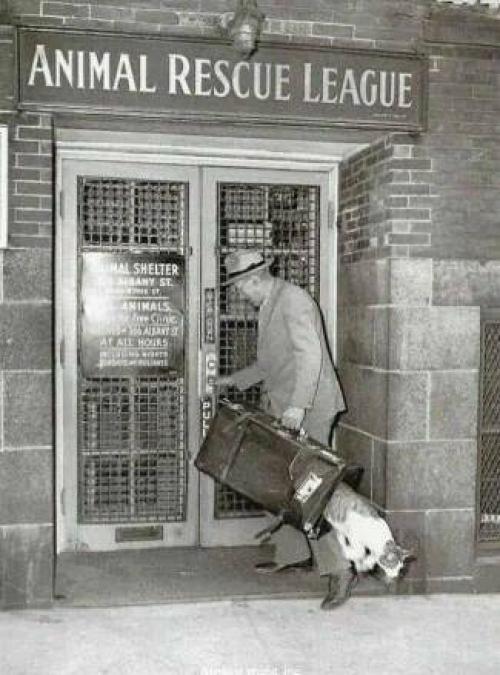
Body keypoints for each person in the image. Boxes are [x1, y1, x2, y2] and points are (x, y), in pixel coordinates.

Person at [218, 248, 346, 572]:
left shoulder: (293, 300)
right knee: (276, 480)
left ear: (254, 280)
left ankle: (339, 568)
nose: (238, 293)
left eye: (239, 287)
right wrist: (232, 381)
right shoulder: (269, 304)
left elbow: (310, 357)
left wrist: (297, 407)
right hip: (287, 405)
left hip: (310, 407)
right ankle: (294, 554)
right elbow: (272, 363)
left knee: (310, 487)